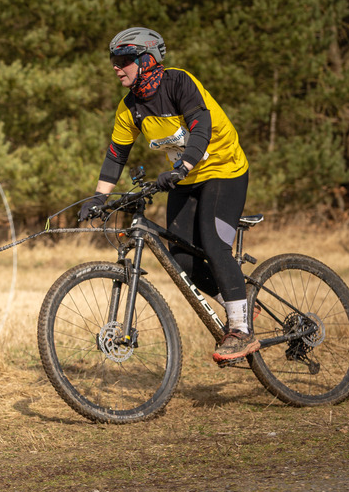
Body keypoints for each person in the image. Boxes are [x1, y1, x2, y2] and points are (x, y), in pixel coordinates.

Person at [78, 26, 258, 366]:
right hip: (185, 178)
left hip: (224, 169)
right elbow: (116, 154)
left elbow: (200, 128)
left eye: (124, 60)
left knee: (213, 243)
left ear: (147, 60)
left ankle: (240, 329)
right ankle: (241, 302)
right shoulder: (129, 107)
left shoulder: (179, 83)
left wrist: (182, 166)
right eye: (113, 60)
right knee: (182, 259)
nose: (116, 67)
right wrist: (99, 198)